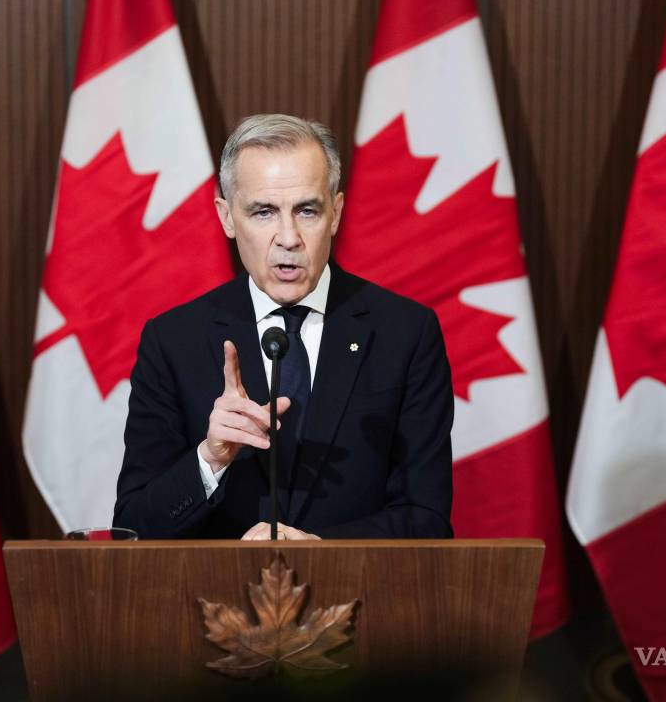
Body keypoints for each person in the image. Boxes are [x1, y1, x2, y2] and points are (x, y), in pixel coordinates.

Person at [113, 114, 453, 539]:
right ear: (227, 218)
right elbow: (132, 528)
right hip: (217, 601)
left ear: (336, 213)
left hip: (361, 598)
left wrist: (324, 552)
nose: (288, 237)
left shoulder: (405, 334)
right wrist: (210, 458)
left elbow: (427, 518)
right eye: (264, 212)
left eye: (307, 211)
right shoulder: (173, 341)